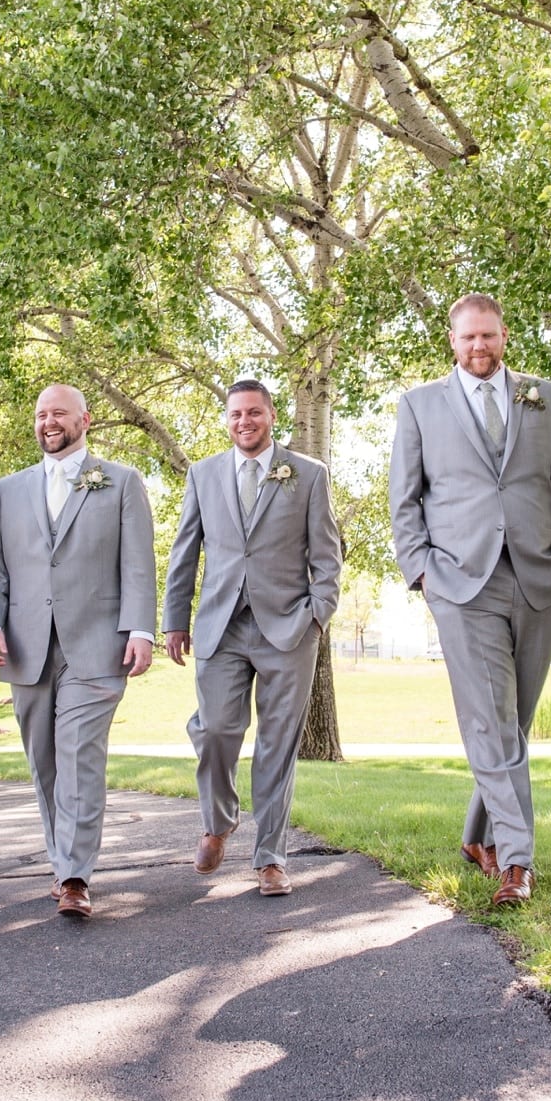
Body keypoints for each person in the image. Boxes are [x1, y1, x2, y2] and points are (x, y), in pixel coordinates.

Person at [388, 294, 551, 908]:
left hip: (538, 579)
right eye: (469, 338)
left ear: (506, 336)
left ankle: (478, 836)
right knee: (490, 722)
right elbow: (406, 498)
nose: (480, 347)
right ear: (452, 340)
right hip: (460, 582)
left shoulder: (544, 397)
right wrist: (422, 570)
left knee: (512, 722)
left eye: (490, 337)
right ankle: (517, 861)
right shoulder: (420, 405)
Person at [0, 384, 156, 919]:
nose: (48, 422)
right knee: (44, 763)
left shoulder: (121, 482)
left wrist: (141, 630)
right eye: (40, 414)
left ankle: (76, 875)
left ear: (85, 419)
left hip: (97, 643)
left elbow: (138, 563)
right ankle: (63, 863)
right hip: (26, 645)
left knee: (79, 755)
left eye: (58, 412)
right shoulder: (9, 490)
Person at [163, 380, 342, 897]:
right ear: (227, 419)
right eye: (236, 414)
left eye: (255, 413)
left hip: (289, 626)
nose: (245, 422)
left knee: (278, 744)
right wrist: (175, 620)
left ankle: (270, 857)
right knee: (216, 728)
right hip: (221, 625)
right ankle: (218, 822)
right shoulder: (203, 473)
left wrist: (318, 615)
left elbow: (327, 555)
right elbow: (184, 553)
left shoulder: (307, 475)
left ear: (271, 415)